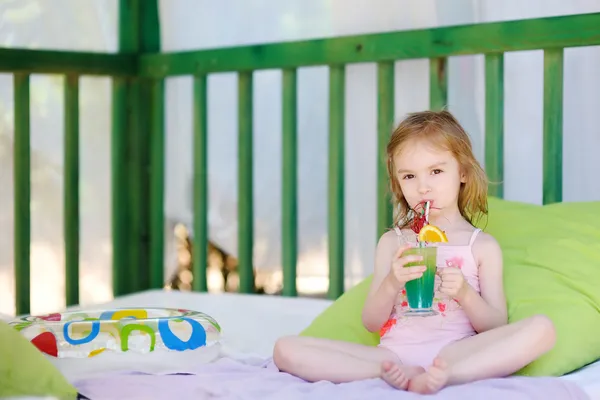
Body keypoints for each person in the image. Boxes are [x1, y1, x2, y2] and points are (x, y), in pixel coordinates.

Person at [272, 110, 556, 394]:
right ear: (398, 183)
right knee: (285, 349)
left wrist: (465, 294)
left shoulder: (481, 247)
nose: (423, 187)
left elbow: (495, 326)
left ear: (463, 173)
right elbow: (371, 322)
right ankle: (392, 375)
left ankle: (448, 375)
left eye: (436, 171)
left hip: (456, 352)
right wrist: (392, 282)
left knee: (543, 329)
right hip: (394, 356)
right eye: (409, 176)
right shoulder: (393, 243)